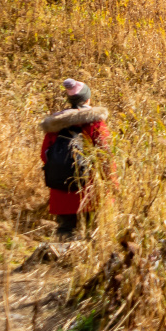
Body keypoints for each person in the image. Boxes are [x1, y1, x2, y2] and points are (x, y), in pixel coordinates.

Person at [40, 79, 109, 239]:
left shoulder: (56, 125)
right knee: (89, 235)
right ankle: (78, 262)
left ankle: (59, 261)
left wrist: (62, 169)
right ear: (88, 99)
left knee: (65, 233)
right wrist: (111, 183)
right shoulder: (95, 124)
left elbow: (45, 155)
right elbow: (105, 156)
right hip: (89, 192)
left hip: (60, 192)